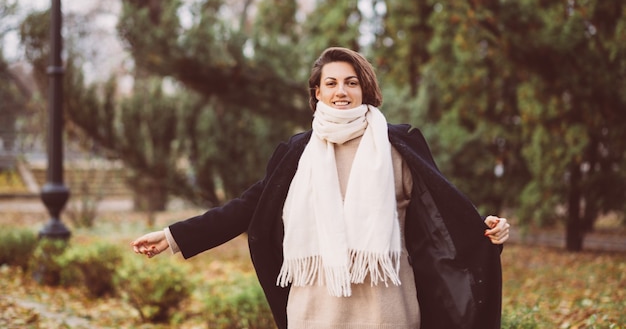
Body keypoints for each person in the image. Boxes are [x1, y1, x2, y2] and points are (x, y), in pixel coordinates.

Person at [132, 47, 511, 329]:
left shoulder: (399, 145)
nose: (341, 91)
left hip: (385, 306)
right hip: (316, 308)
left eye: (351, 82)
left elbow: (443, 213)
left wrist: (488, 231)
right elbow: (246, 207)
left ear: (366, 89)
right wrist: (172, 235)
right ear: (316, 92)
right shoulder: (297, 151)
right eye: (330, 83)